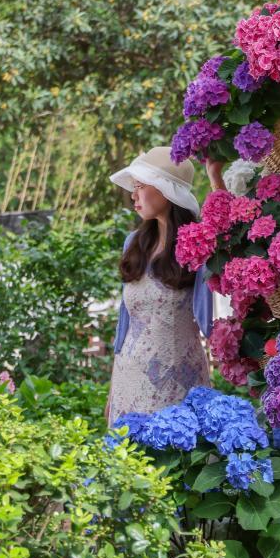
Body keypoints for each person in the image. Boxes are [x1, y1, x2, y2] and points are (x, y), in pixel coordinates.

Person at [105, 147, 223, 425]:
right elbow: (125, 324)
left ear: (166, 191)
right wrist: (113, 391)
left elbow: (228, 234)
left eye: (140, 186)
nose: (133, 195)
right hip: (128, 379)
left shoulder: (198, 244)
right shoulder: (133, 243)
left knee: (176, 462)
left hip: (179, 383)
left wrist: (216, 178)